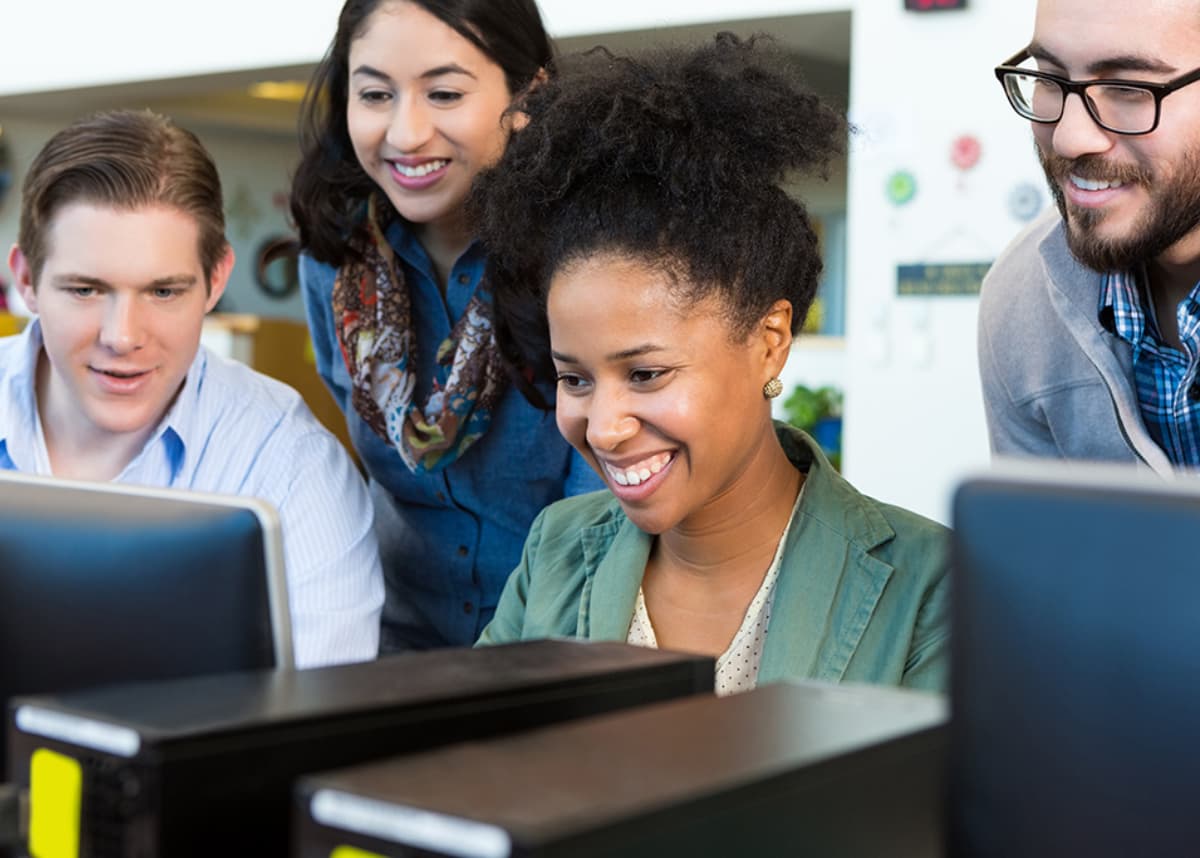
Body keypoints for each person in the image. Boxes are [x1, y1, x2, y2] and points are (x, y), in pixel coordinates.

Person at [473, 35, 950, 694]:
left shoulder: (929, 585)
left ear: (770, 340)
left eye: (645, 374)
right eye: (574, 378)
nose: (605, 427)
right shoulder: (556, 548)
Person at [0, 109, 383, 669]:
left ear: (216, 280)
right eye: (85, 289)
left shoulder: (288, 462)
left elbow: (316, 717)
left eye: (163, 292)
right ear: (26, 280)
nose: (122, 337)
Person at [291, 0, 600, 652]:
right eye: (375, 93)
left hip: (560, 642)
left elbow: (597, 513)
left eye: (444, 92)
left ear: (528, 97)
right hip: (389, 647)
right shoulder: (335, 267)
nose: (405, 133)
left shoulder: (589, 254)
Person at [981, 0, 1200, 472]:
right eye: (1048, 75)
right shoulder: (1020, 297)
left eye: (1128, 87)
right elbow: (1039, 541)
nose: (1069, 138)